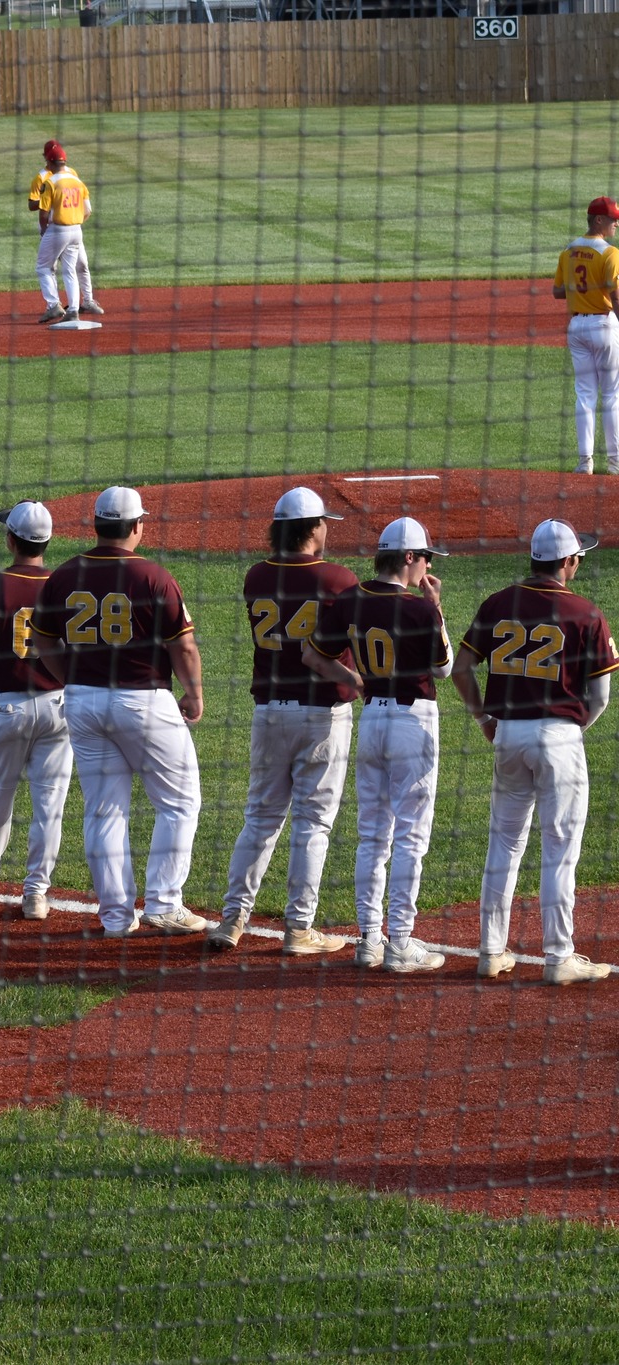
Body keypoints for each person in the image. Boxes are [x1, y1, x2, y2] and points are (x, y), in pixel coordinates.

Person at [450, 519, 619, 986]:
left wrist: (486, 719)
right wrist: (569, 729)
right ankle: (559, 955)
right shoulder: (585, 612)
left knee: (504, 842)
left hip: (508, 736)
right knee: (559, 849)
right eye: (578, 557)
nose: (580, 562)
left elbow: (462, 669)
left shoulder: (498, 603)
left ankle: (489, 950)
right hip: (558, 739)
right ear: (566, 562)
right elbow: (600, 696)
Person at [33, 486, 207, 937]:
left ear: (97, 524)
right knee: (179, 800)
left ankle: (114, 916)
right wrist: (194, 693)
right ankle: (165, 903)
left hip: (84, 703)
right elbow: (183, 645)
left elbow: (43, 641)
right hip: (143, 700)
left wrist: (71, 674)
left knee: (104, 809)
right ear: (136, 527)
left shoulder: (65, 574)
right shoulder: (152, 576)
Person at [207, 488, 358, 956]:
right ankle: (299, 929)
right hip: (322, 713)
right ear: (312, 528)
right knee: (312, 822)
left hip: (269, 711)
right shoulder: (338, 579)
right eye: (324, 522)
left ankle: (232, 920)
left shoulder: (257, 577)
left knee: (260, 817)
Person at [304, 518, 453, 974]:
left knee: (373, 833)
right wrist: (436, 607)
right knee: (411, 835)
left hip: (372, 722)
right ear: (408, 557)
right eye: (425, 556)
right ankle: (402, 942)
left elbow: (312, 656)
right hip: (413, 721)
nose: (428, 565)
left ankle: (369, 939)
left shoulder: (350, 598)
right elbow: (444, 669)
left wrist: (354, 680)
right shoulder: (418, 609)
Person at [0, 501, 71, 922]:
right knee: (49, 805)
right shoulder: (66, 585)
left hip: (7, 705)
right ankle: (36, 894)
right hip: (59, 707)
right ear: (46, 540)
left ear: (11, 539)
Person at [555, 196, 619, 475]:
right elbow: (615, 295)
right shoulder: (609, 253)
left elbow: (558, 292)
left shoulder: (569, 250)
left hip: (577, 329)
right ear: (598, 220)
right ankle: (615, 463)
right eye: (613, 219)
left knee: (584, 395)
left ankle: (585, 462)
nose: (616, 224)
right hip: (603, 327)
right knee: (613, 395)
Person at [30, 139, 103, 324]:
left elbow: (43, 212)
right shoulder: (77, 181)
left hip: (57, 230)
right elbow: (87, 210)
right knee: (70, 270)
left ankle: (54, 305)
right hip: (76, 231)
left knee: (43, 267)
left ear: (50, 162)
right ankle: (73, 310)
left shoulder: (50, 182)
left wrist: (45, 231)